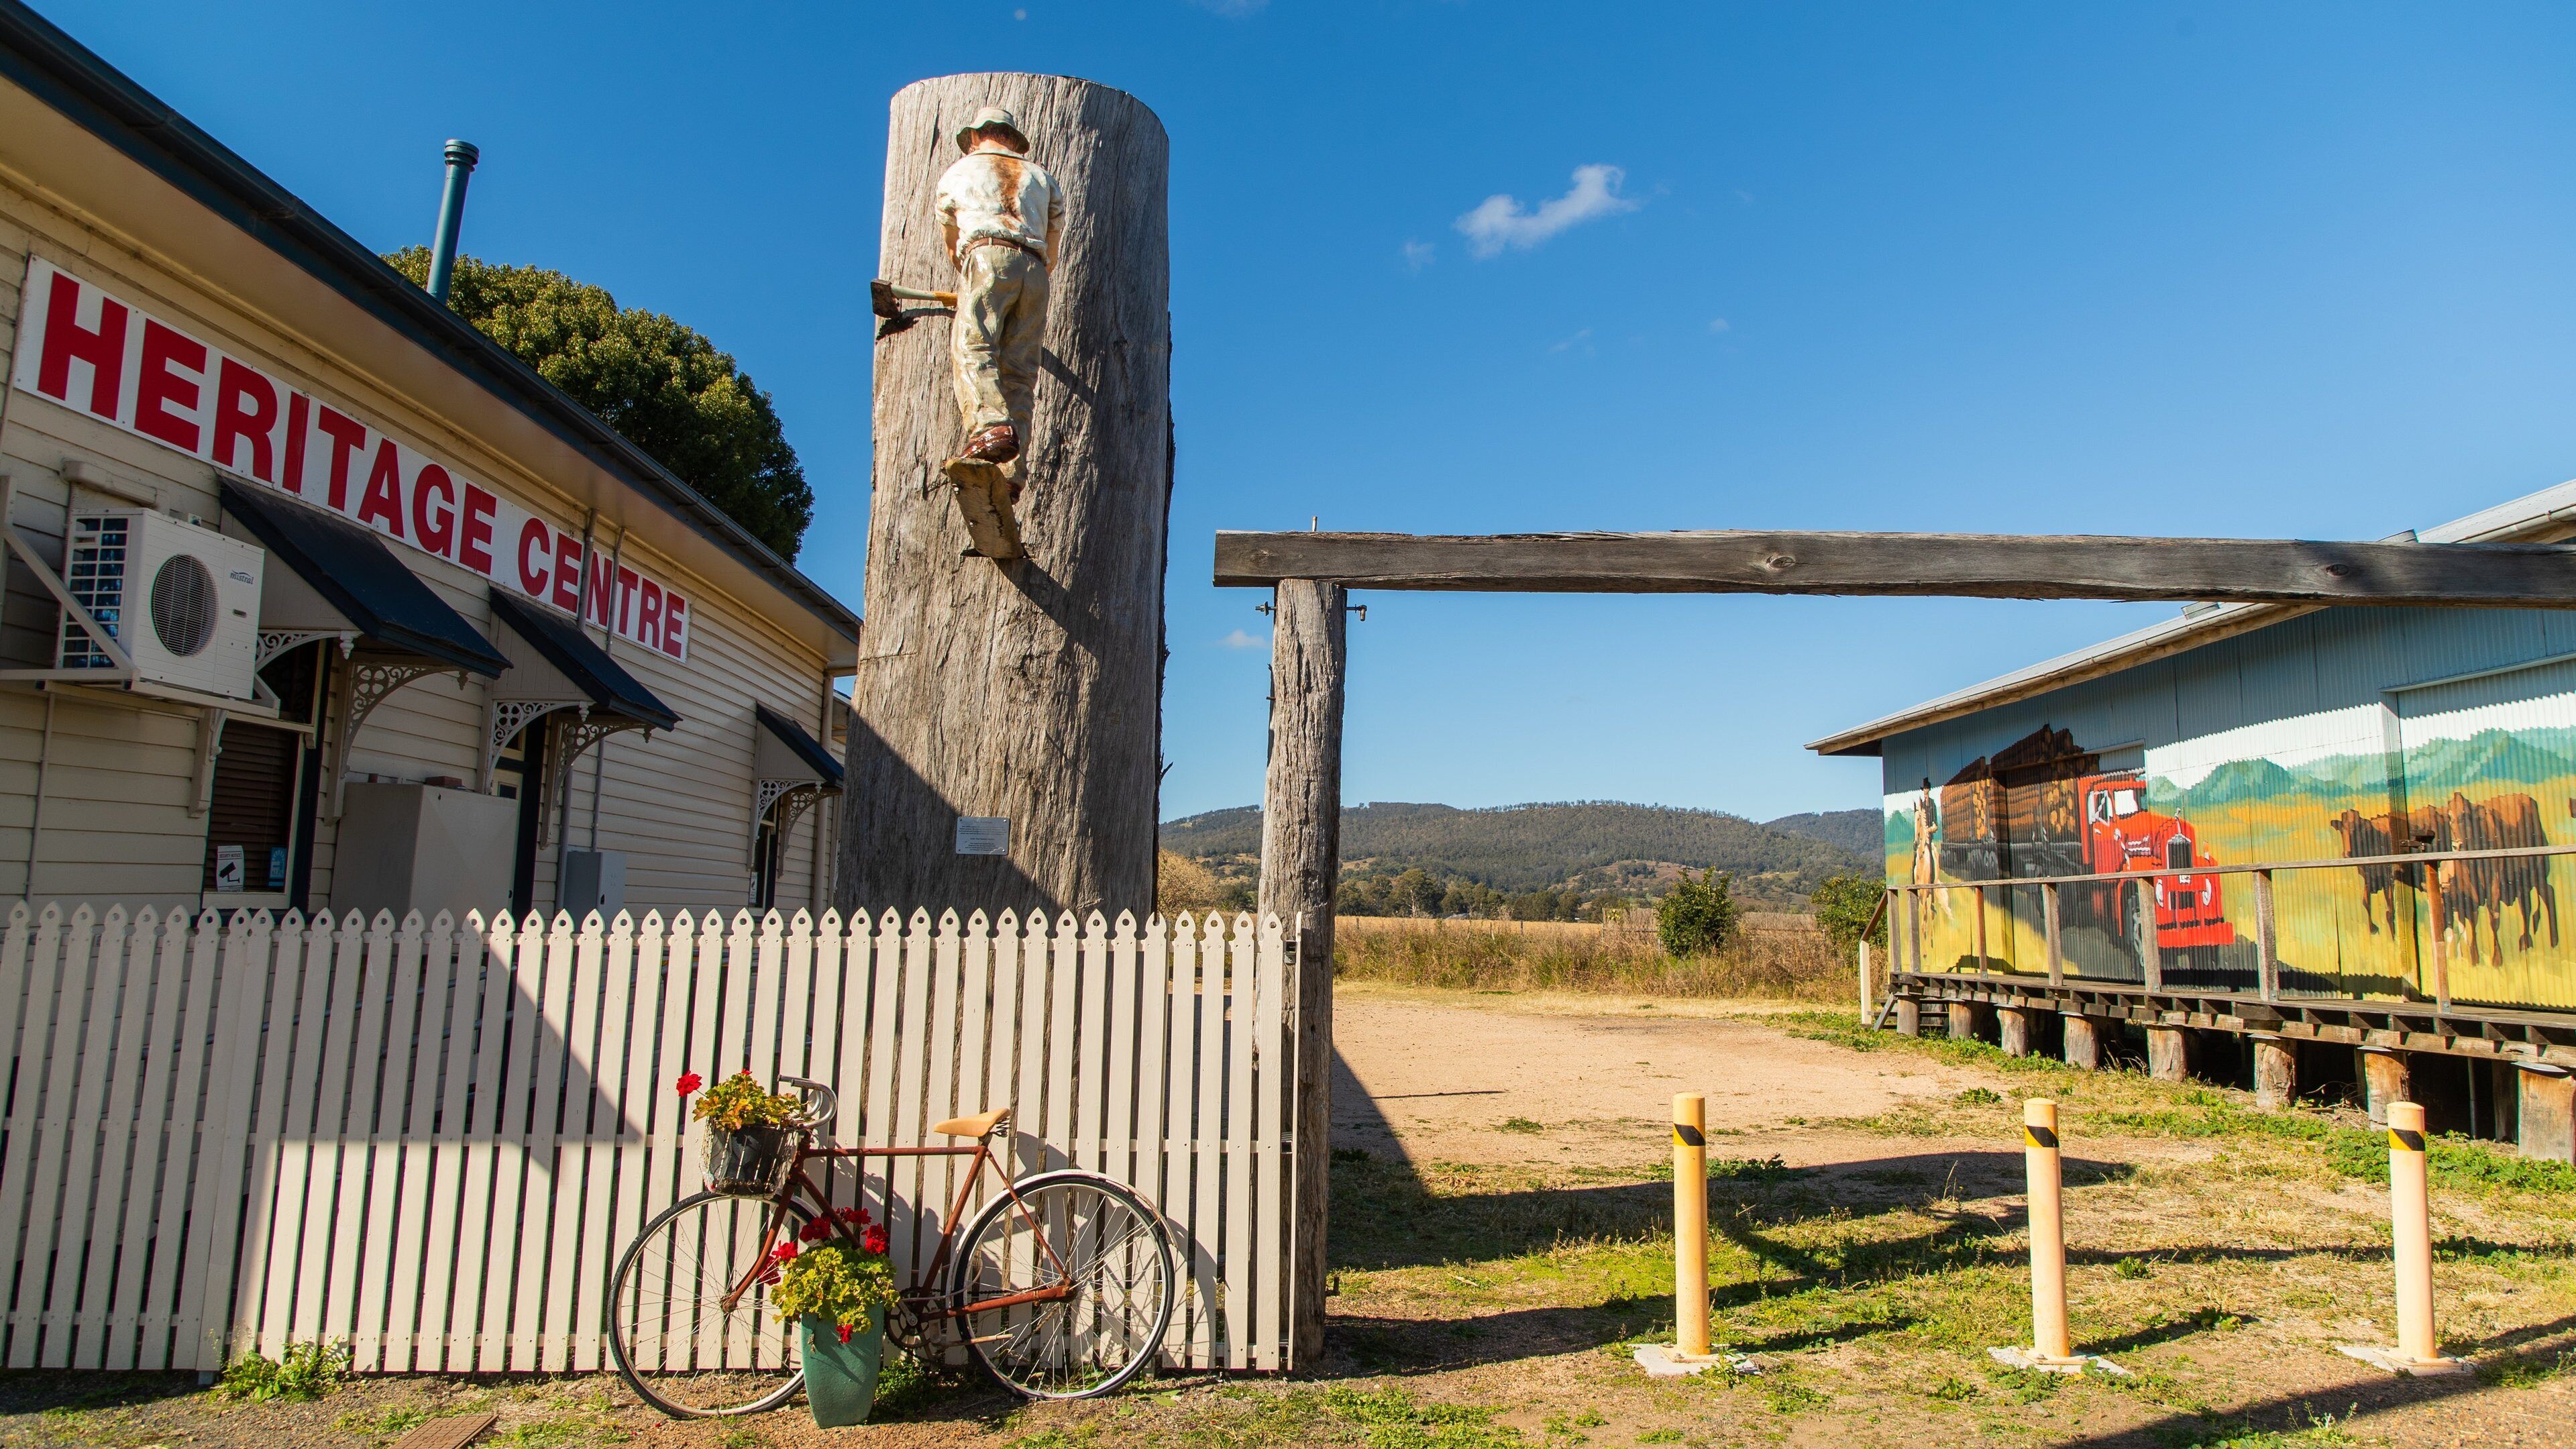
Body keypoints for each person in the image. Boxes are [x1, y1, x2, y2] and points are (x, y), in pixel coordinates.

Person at [936, 105, 1065, 483]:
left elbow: (951, 239)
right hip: (1037, 271)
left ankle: (990, 425)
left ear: (975, 136)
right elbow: (1053, 244)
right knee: (1021, 372)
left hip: (988, 255)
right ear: (1013, 139)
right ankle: (1012, 470)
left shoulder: (961, 171)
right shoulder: (1042, 178)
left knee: (974, 346)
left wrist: (972, 277)